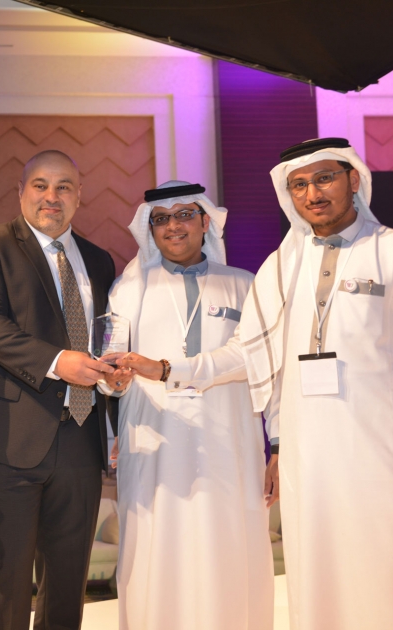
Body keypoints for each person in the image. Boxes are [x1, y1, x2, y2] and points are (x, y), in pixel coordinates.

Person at [149, 138, 393, 629]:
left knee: (391, 570)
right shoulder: (279, 266)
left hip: (382, 450)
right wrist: (169, 369)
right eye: (299, 185)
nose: (312, 193)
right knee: (317, 576)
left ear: (353, 180)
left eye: (324, 178)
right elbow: (248, 354)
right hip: (307, 455)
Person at [0, 149, 117, 630]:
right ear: (21, 192)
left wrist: (115, 373)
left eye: (64, 187)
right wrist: (59, 362)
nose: (52, 196)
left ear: (79, 195)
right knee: (5, 574)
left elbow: (107, 336)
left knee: (68, 576)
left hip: (83, 433)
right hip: (10, 434)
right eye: (40, 185)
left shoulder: (99, 260)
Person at [102, 181, 273, 629]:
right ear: (149, 228)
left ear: (205, 222)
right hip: (155, 440)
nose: (173, 226)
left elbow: (252, 359)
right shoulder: (128, 288)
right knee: (157, 548)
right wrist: (113, 380)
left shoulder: (244, 285)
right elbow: (110, 362)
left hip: (229, 440)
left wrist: (166, 369)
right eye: (161, 219)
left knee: (229, 544)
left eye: (184, 215)